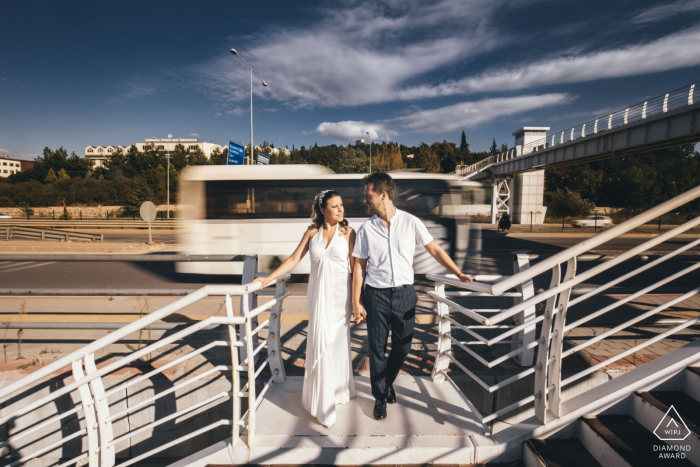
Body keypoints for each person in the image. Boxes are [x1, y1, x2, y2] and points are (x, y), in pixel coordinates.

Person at [351, 173, 474, 421]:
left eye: (368, 195)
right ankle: (380, 396)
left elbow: (435, 249)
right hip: (375, 294)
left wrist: (457, 272)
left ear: (383, 195)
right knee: (376, 349)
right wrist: (356, 301)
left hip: (405, 294)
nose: (365, 200)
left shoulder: (411, 222)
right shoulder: (366, 229)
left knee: (403, 347)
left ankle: (386, 382)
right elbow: (359, 267)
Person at [254, 190, 356, 428]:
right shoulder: (313, 233)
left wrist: (358, 300)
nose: (341, 209)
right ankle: (324, 404)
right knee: (322, 344)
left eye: (341, 205)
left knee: (335, 345)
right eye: (335, 206)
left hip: (341, 299)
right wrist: (266, 279)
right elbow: (293, 259)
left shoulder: (349, 232)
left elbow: (357, 269)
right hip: (318, 298)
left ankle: (338, 392)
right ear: (322, 210)